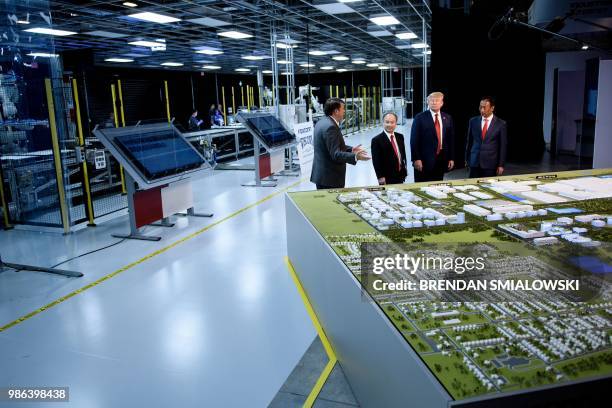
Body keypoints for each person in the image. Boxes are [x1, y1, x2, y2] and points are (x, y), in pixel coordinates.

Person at [310, 97, 370, 189]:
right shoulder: (330, 127)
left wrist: (351, 149)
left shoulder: (322, 122)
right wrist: (355, 156)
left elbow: (331, 145)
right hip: (330, 179)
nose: (344, 111)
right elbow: (336, 154)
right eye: (343, 109)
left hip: (322, 176)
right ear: (336, 111)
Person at [410, 92, 455, 182]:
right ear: (428, 102)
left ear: (442, 103)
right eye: (432, 100)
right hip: (423, 160)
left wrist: (451, 158)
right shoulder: (419, 118)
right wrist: (416, 158)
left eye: (437, 100)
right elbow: (414, 140)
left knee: (437, 186)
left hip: (441, 159)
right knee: (422, 188)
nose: (434, 102)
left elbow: (450, 140)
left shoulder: (447, 118)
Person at [465, 97, 507, 178]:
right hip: (474, 162)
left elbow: (503, 146)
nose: (482, 110)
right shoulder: (473, 121)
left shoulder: (501, 124)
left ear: (492, 108)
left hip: (490, 164)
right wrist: (467, 159)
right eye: (480, 107)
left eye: (485, 107)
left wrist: (501, 165)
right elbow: (469, 141)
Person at [371, 112, 407, 185]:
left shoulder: (400, 137)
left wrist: (404, 170)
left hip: (400, 175)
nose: (389, 125)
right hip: (387, 177)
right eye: (387, 122)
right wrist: (380, 176)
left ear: (396, 123)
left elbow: (401, 155)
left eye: (392, 122)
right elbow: (376, 161)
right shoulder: (377, 140)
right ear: (383, 123)